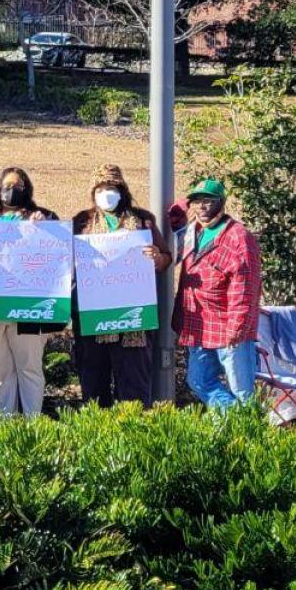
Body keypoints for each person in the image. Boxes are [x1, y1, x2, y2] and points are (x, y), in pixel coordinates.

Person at [70, 165, 171, 408]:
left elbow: (165, 257)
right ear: (93, 192)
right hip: (94, 320)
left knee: (134, 386)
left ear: (122, 190)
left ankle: (134, 435)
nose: (107, 193)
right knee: (94, 385)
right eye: (101, 189)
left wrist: (157, 257)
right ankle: (97, 434)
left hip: (133, 322)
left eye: (112, 188)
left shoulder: (143, 220)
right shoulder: (81, 221)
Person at [0, 167, 62, 417]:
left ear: (27, 189)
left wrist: (45, 228)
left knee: (29, 368)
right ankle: (5, 425)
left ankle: (33, 425)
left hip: (28, 306)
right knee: (1, 370)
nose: (12, 191)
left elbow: (58, 256)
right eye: (7, 185)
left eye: (18, 186)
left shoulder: (44, 216)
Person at [175, 178, 262, 409]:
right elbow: (169, 252)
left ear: (221, 203)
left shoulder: (238, 237)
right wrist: (178, 211)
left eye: (208, 201)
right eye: (197, 201)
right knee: (198, 380)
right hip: (198, 325)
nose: (202, 206)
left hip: (229, 327)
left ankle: (251, 437)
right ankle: (232, 424)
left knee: (242, 391)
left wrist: (238, 328)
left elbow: (245, 288)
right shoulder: (190, 232)